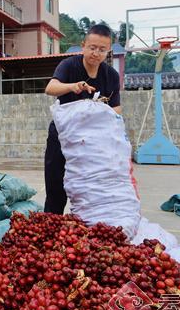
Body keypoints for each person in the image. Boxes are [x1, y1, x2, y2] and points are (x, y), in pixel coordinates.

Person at [43, 24, 121, 215]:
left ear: (108, 51)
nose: (96, 53)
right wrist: (72, 86)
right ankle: (50, 227)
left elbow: (116, 110)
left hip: (92, 144)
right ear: (83, 46)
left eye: (102, 50)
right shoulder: (69, 65)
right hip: (62, 138)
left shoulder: (111, 76)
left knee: (90, 190)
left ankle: (85, 230)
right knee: (55, 188)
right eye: (92, 48)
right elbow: (50, 88)